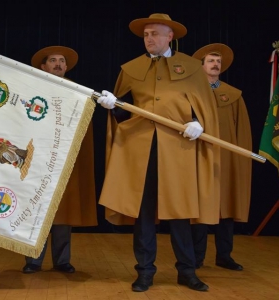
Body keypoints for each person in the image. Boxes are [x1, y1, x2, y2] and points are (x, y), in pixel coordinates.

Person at [96, 13, 221, 292]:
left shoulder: (191, 68)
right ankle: (145, 271)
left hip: (178, 150)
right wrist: (113, 105)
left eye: (154, 34)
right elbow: (123, 111)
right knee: (144, 213)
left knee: (179, 213)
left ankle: (187, 271)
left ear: (170, 37)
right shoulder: (131, 69)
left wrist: (199, 124)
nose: (149, 39)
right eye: (146, 35)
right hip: (141, 151)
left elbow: (206, 110)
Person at [22, 46, 98, 274]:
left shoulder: (78, 93)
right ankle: (33, 260)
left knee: (64, 212)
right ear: (43, 66)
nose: (58, 64)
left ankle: (62, 260)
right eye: (53, 60)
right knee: (37, 209)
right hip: (39, 159)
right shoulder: (32, 90)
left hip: (64, 159)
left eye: (61, 61)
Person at [191, 43, 252, 271]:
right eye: (211, 60)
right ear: (202, 65)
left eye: (218, 61)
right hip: (200, 156)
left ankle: (224, 255)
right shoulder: (192, 92)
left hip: (226, 159)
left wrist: (239, 160)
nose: (215, 64)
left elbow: (242, 131)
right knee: (200, 208)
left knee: (226, 206)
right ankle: (197, 257)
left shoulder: (233, 95)